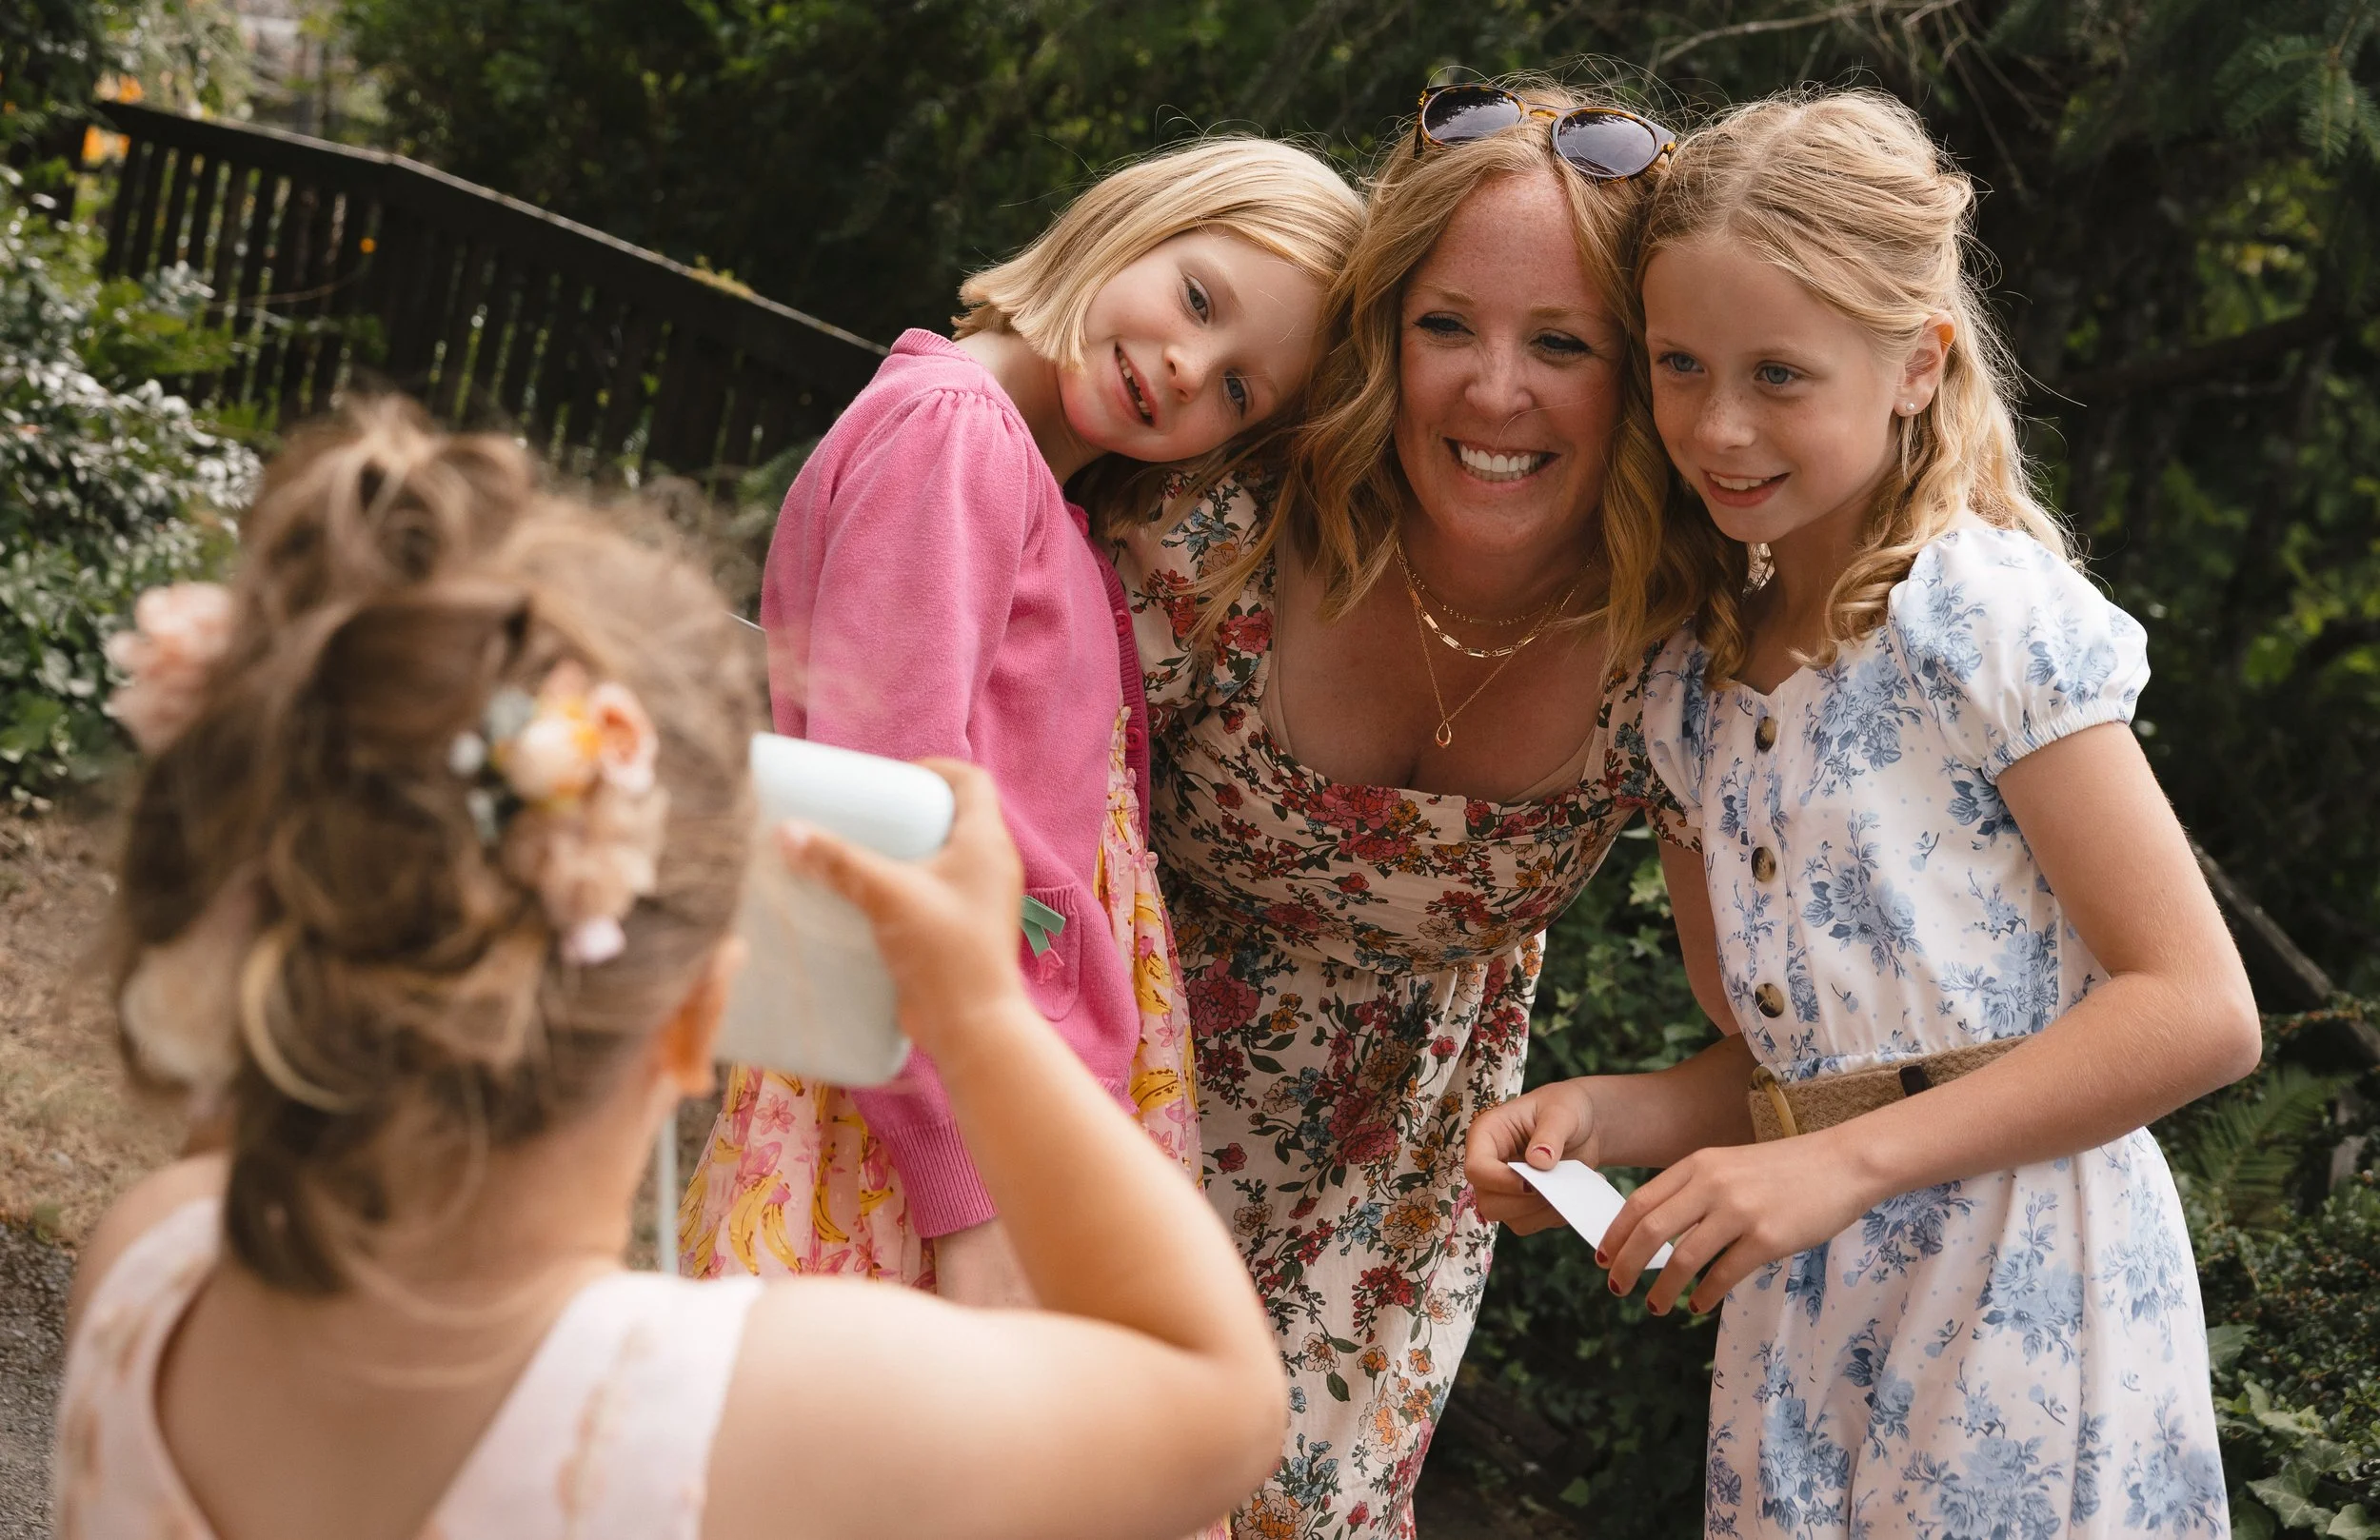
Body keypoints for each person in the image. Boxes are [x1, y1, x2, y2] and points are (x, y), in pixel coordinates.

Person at [56, 402, 1289, 1540]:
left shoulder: (149, 1275)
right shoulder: (736, 1419)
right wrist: (978, 1014)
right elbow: (1219, 1393)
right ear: (703, 1012)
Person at [1466, 91, 2262, 1536]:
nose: (1718, 426)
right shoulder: (1690, 690)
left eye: (1779, 373)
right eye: (1679, 365)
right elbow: (1796, 1072)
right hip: (1812, 1317)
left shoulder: (1980, 616)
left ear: (1915, 365)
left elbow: (2198, 1010)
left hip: (2020, 1295)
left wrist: (1835, 1168)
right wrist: (1603, 1115)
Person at [1113, 81, 1688, 1536]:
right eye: (1447, 326)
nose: (1494, 392)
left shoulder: (1680, 653)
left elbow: (1778, 1038)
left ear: (1645, 373)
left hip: (1377, 1232)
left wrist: (1596, 1117)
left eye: (1562, 342)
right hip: (1101, 1123)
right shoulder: (1221, 528)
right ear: (1382, 331)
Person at [680, 137, 1364, 1312]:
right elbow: (883, 834)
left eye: (1240, 391)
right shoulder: (958, 439)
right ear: (1131, 218)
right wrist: (968, 1192)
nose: (1189, 366)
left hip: (988, 1115)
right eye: (1198, 298)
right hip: (925, 1143)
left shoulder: (1033, 486)